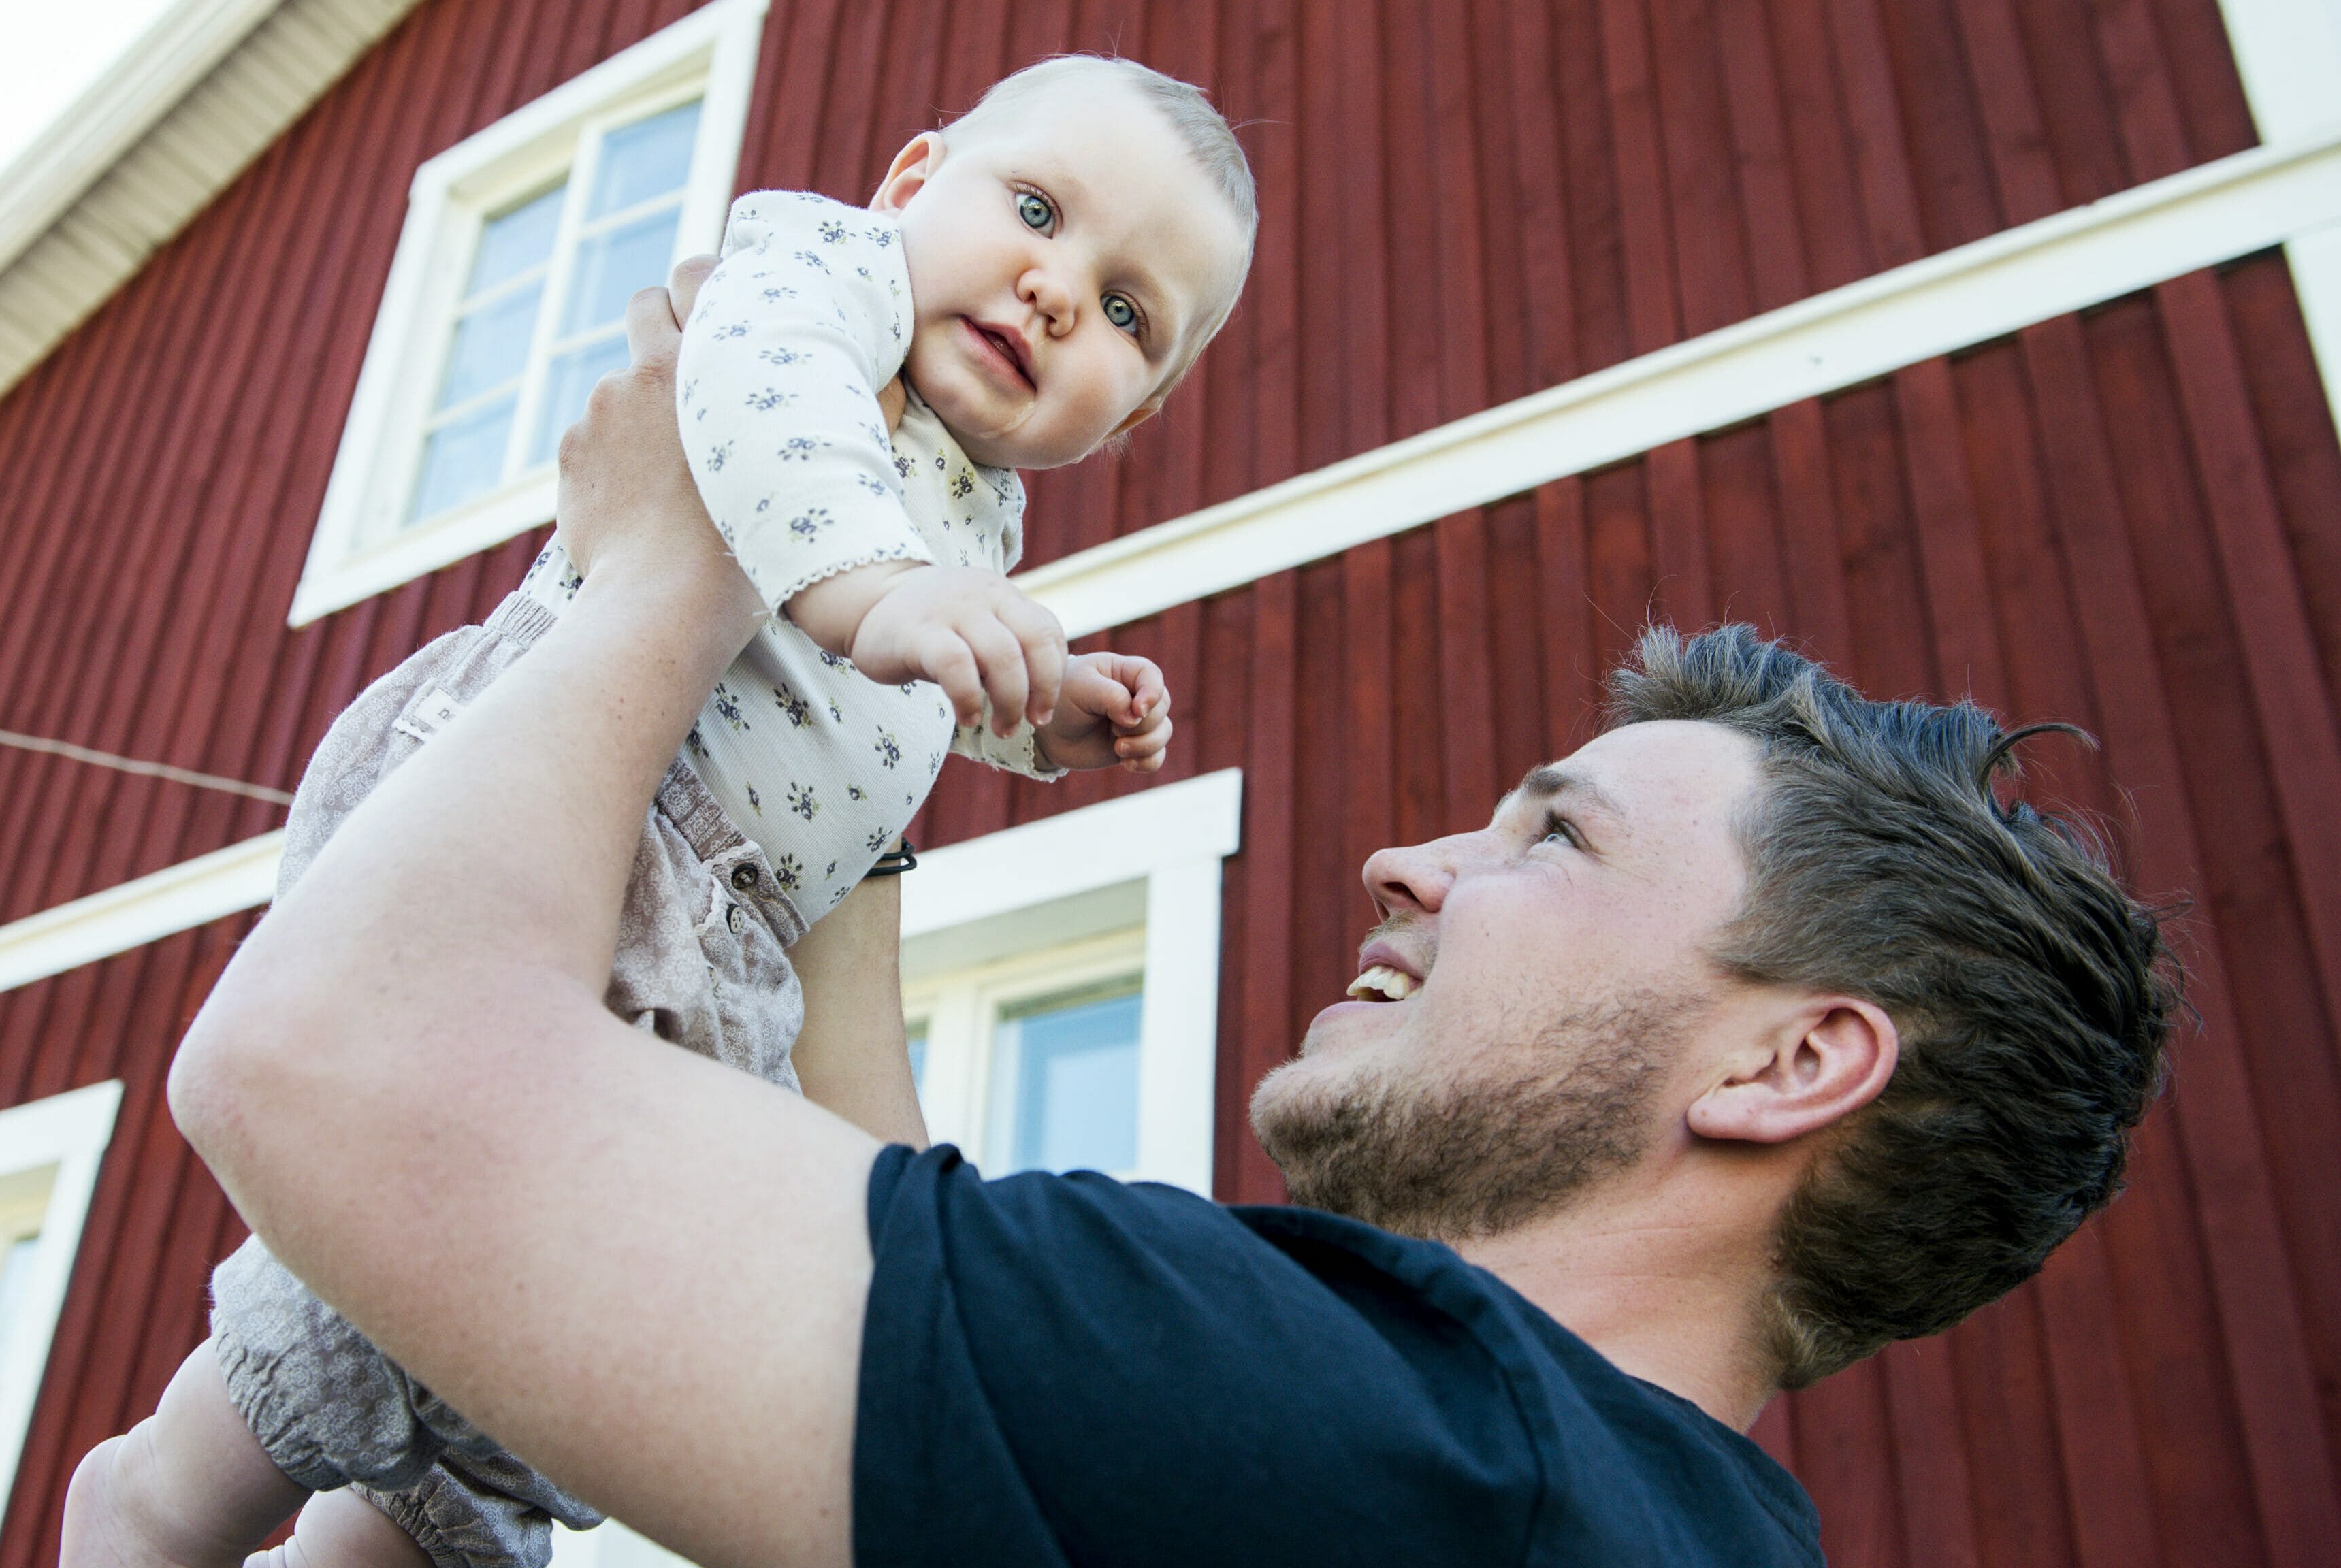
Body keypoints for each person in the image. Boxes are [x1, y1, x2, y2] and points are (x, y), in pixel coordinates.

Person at [162, 266, 2178, 1565]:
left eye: (1550, 840)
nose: (1410, 864)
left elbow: (332, 1064)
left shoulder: (1357, 1426)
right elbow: (892, 1263)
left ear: (1789, 1061)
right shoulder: (1603, 1515)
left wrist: (674, 564)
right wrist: (847, 775)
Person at [63, 54, 1259, 1568]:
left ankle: (389, 1540)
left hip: (730, 945)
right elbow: (773, 432)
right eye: (1033, 209)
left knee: (548, 1304)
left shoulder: (970, 515)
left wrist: (1028, 706)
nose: (1054, 291)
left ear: (1131, 417)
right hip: (581, 824)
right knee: (426, 1182)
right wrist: (888, 593)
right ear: (907, 186)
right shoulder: (820, 285)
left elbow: (876, 704)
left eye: (1127, 312)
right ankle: (169, 1497)